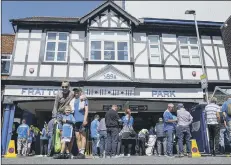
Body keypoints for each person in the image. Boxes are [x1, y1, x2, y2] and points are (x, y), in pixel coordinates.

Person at [73, 89, 89, 159]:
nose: (76, 93)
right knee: (77, 137)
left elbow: (86, 110)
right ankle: (80, 152)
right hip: (75, 121)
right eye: (75, 92)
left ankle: (82, 152)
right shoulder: (73, 100)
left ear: (80, 92)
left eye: (77, 91)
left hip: (82, 120)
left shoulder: (84, 99)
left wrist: (85, 119)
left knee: (83, 136)